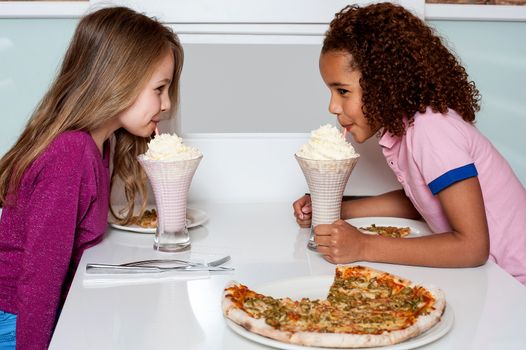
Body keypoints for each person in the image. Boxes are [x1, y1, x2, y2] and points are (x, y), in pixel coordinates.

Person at [293, 3, 526, 285]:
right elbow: (424, 200)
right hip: (494, 279)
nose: (332, 106)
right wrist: (337, 209)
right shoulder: (402, 131)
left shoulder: (431, 129)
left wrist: (364, 245)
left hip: (514, 283)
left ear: (384, 82)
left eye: (343, 91)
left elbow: (473, 247)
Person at [0, 6, 184, 349]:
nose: (168, 104)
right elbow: (40, 280)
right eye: (159, 89)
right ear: (118, 80)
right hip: (16, 322)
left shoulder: (100, 146)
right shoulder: (71, 153)